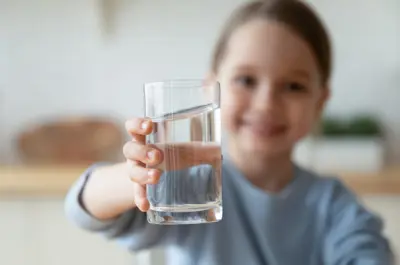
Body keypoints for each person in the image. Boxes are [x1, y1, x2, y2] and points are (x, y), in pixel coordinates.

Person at [64, 0, 394, 264]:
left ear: (320, 102)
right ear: (210, 88)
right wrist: (134, 177)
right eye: (246, 80)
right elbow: (83, 208)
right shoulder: (192, 185)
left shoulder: (333, 205)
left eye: (293, 86)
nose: (266, 104)